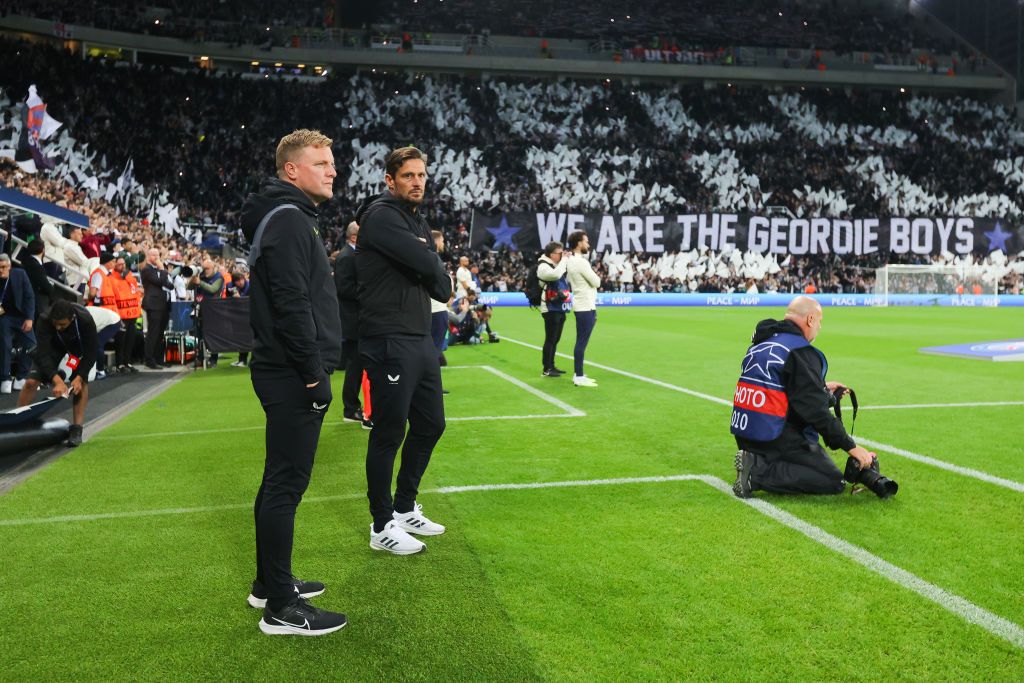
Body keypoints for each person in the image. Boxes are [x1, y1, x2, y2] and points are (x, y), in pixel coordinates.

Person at [240, 128, 346, 636]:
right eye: (322, 162)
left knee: (278, 479)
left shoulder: (285, 217)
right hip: (291, 373)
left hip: (282, 369)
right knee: (286, 484)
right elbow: (291, 305)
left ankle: (269, 583)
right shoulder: (287, 222)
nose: (332, 170)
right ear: (292, 170)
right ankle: (280, 607)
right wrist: (313, 375)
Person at [355, 145, 452, 556]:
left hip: (418, 335)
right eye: (408, 176)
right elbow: (431, 266)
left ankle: (404, 506)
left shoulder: (415, 218)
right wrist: (428, 259)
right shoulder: (380, 216)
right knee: (390, 431)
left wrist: (429, 261)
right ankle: (381, 526)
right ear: (389, 180)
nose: (417, 182)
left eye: (421, 176)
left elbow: (439, 281)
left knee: (431, 424)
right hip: (389, 337)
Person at [731, 296, 876, 498]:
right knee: (831, 480)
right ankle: (756, 472)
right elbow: (815, 412)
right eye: (819, 321)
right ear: (810, 319)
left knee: (812, 454)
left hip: (747, 434)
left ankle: (753, 459)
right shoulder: (800, 351)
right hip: (773, 436)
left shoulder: (764, 341)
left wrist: (820, 388)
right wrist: (851, 447)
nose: (819, 327)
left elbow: (780, 385)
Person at [18, 300, 99, 447]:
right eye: (55, 324)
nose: (58, 327)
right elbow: (43, 355)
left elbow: (91, 354)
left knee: (80, 383)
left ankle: (76, 429)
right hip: (53, 347)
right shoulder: (44, 319)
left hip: (77, 347)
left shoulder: (85, 320)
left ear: (72, 318)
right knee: (30, 382)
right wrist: (57, 380)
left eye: (62, 324)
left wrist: (79, 377)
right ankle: (18, 422)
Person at [333, 221, 368, 424]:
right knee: (356, 364)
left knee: (358, 363)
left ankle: (352, 406)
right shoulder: (347, 257)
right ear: (354, 237)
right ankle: (351, 407)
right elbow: (344, 289)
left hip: (357, 317)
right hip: (354, 319)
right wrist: (368, 292)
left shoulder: (350, 254)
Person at [564, 230, 599, 387]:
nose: (588, 244)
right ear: (579, 243)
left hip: (581, 304)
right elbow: (596, 281)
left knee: (581, 341)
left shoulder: (571, 260)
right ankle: (578, 376)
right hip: (586, 305)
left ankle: (579, 373)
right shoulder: (581, 262)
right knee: (581, 342)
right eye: (586, 241)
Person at [0, 254, 36, 394]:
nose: (1, 270)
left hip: (21, 316)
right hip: (4, 317)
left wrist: (29, 318)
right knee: (5, 345)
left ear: (9, 266)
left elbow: (29, 296)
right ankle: (5, 378)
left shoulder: (19, 274)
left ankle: (21, 377)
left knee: (32, 345)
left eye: (3, 267)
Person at [537, 241, 572, 377]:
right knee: (550, 339)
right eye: (559, 253)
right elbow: (555, 275)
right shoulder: (543, 266)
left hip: (559, 306)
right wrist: (564, 261)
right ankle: (547, 368)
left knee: (556, 339)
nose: (561, 255)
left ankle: (551, 365)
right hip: (550, 307)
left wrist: (566, 260)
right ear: (551, 254)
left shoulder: (556, 264)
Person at [189, 259, 226, 368]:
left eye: (207, 268)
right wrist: (193, 278)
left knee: (213, 335)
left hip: (213, 310)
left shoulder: (219, 277)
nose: (205, 271)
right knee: (199, 335)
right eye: (204, 268)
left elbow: (212, 289)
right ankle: (200, 358)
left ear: (213, 267)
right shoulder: (201, 276)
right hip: (200, 309)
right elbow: (189, 287)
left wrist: (200, 282)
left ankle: (213, 359)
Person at [140, 248, 172, 369]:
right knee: (153, 333)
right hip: (153, 304)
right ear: (148, 256)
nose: (157, 258)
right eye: (154, 255)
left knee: (160, 334)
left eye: (158, 255)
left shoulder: (157, 270)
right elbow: (160, 282)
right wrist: (162, 269)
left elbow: (169, 284)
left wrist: (163, 273)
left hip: (163, 304)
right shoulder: (146, 270)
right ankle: (149, 360)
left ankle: (159, 358)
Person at [110, 257, 141, 374]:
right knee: (120, 341)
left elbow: (136, 293)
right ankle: (120, 364)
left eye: (123, 264)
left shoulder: (130, 278)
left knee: (130, 340)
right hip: (121, 315)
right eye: (119, 264)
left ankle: (127, 362)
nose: (122, 266)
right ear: (115, 265)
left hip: (132, 314)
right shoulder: (111, 278)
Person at [22, 239, 55, 323]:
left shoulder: (27, 261)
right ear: (43, 250)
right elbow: (45, 286)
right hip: (36, 303)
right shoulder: (35, 265)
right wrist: (51, 288)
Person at [226, 270, 251, 367]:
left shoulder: (249, 286)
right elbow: (228, 297)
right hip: (237, 316)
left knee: (248, 337)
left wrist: (241, 297)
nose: (241, 282)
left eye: (242, 280)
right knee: (240, 338)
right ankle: (241, 359)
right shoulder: (230, 286)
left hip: (248, 316)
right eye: (238, 281)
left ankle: (246, 360)